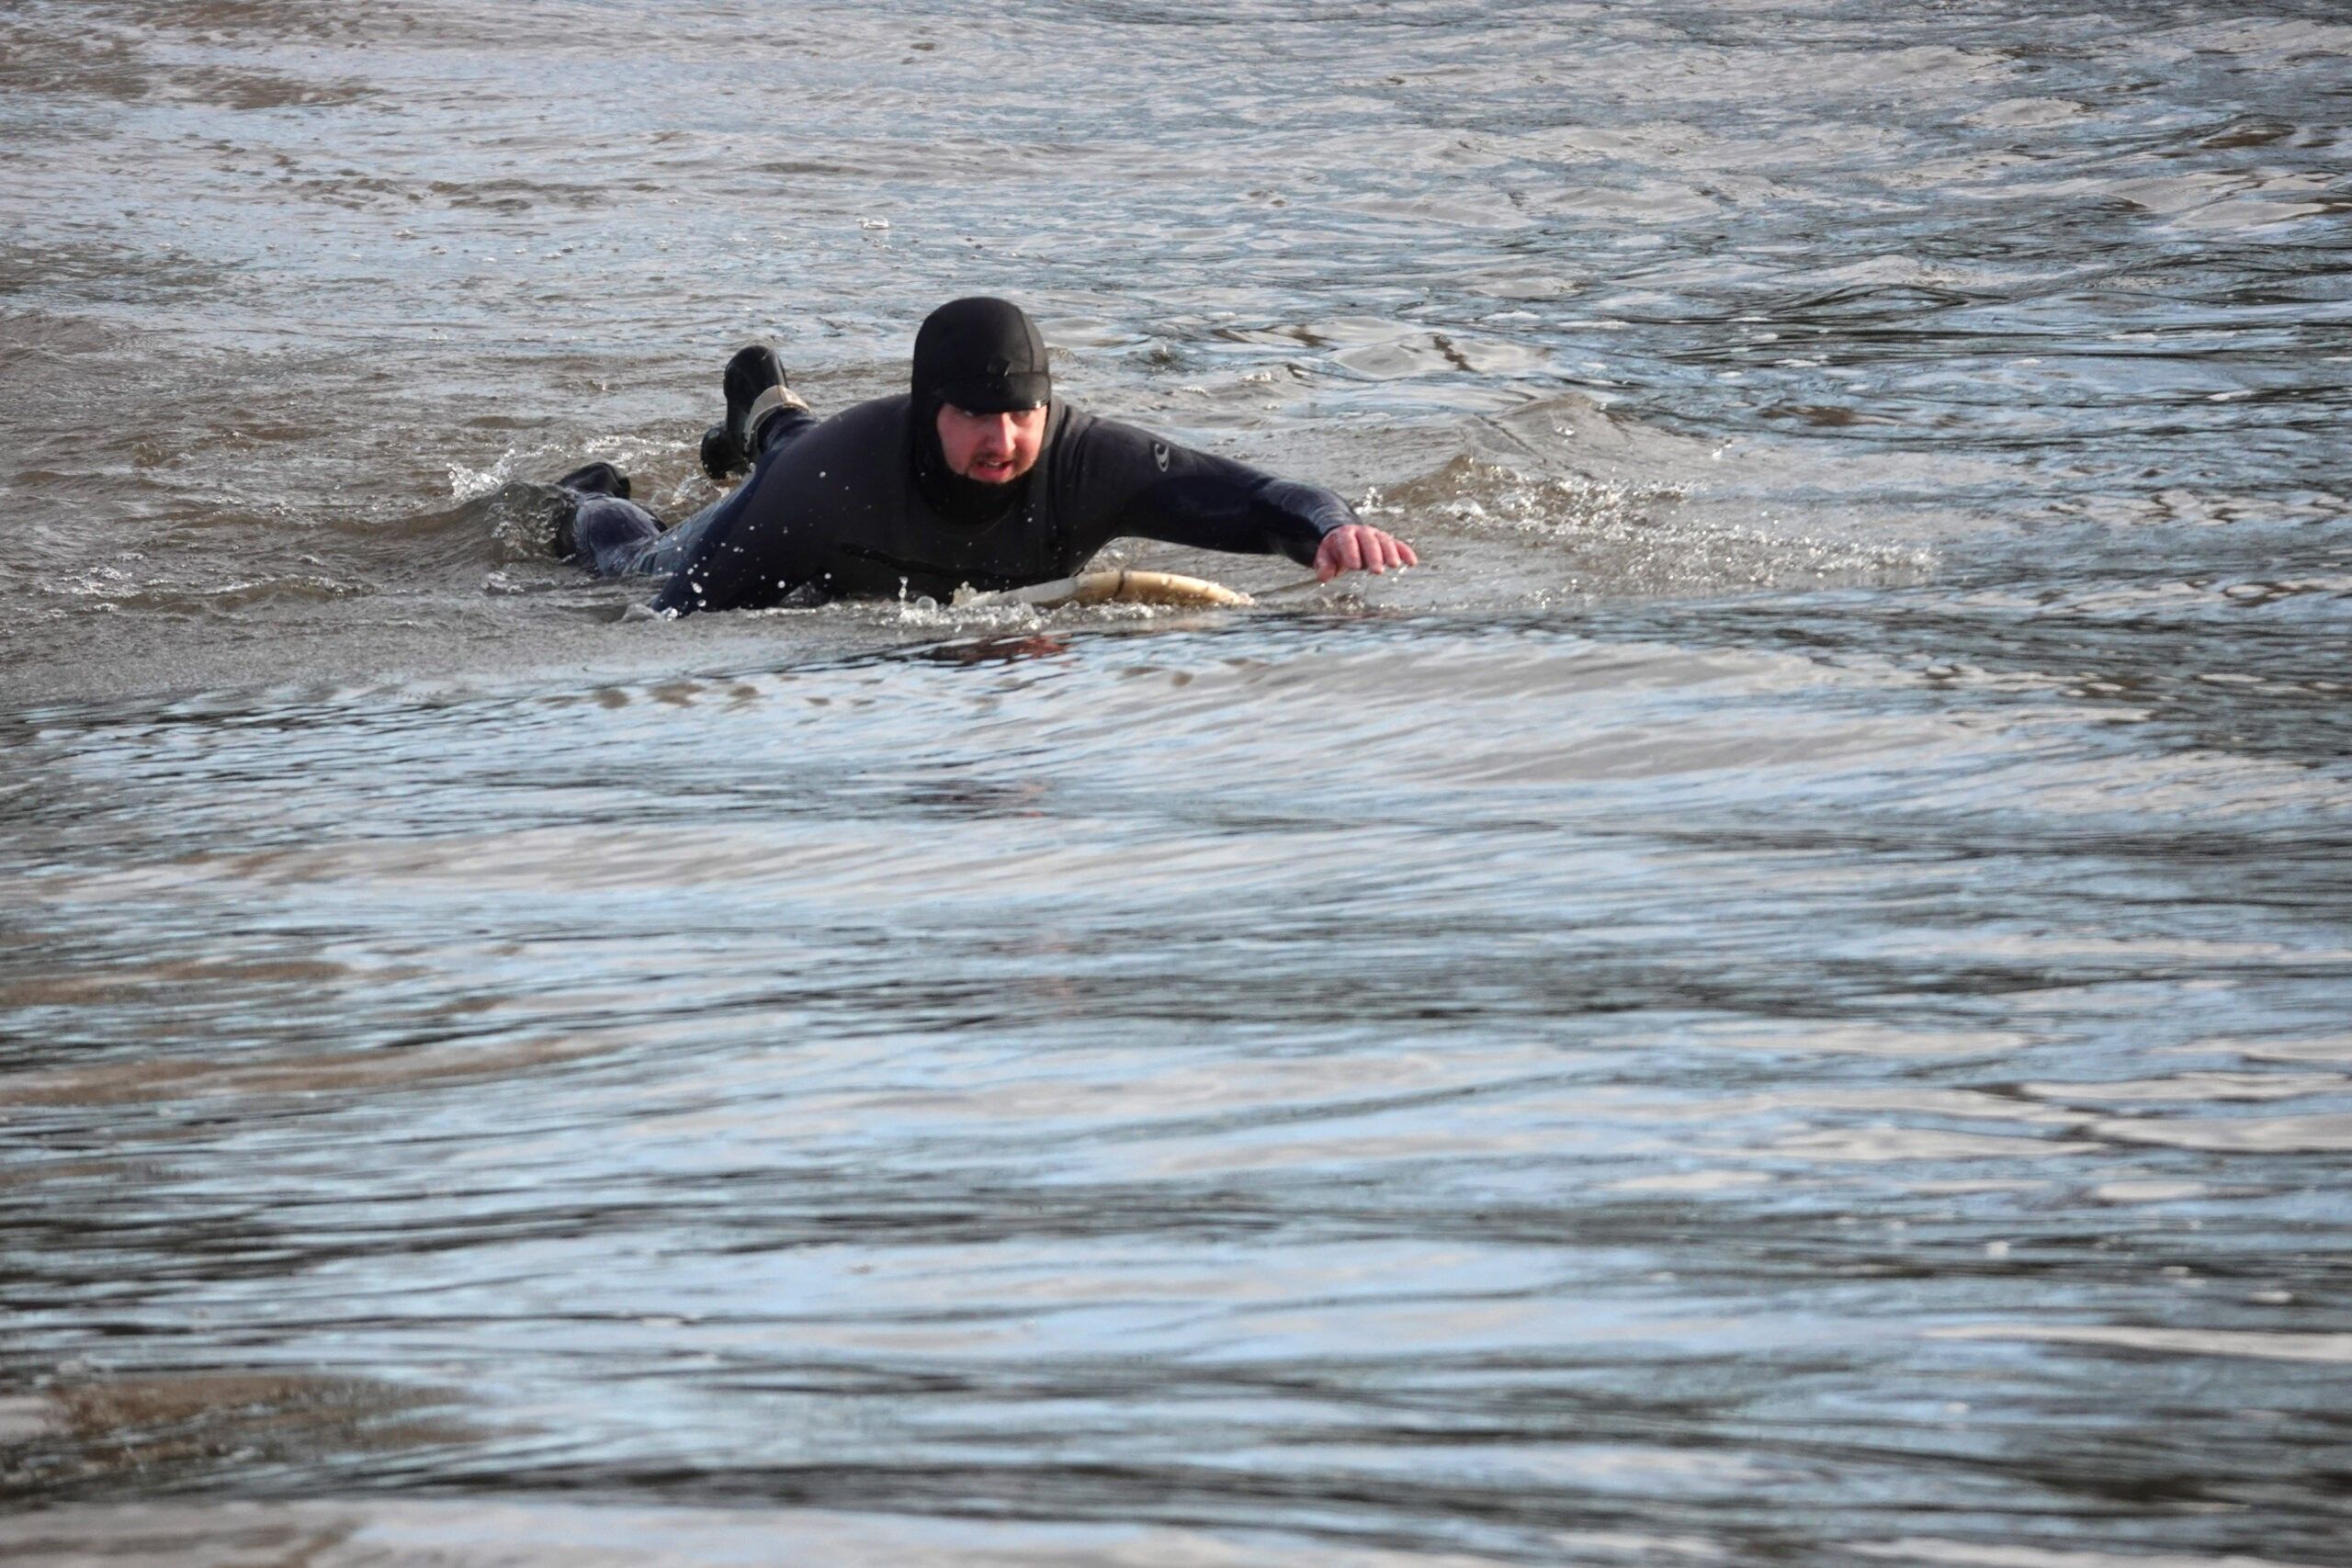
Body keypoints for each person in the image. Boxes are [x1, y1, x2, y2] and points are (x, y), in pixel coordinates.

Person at [552, 297, 1415, 615]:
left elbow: (1258, 498)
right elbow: (672, 617)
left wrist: (1330, 529)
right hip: (808, 485)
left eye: (1023, 414)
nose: (1005, 442)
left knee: (807, 448)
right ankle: (577, 491)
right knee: (632, 555)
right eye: (975, 415)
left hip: (835, 463)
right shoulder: (818, 492)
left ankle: (767, 401)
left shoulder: (1084, 460)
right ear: (931, 409)